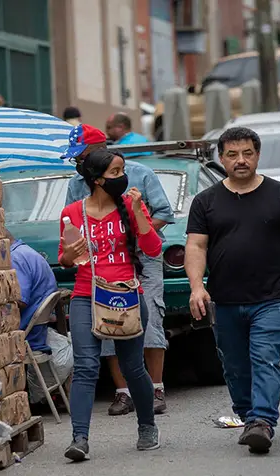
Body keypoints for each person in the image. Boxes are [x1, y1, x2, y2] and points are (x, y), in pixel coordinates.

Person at [185, 126, 280, 454]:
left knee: (265, 358)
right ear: (221, 158)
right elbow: (196, 247)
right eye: (232, 154)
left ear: (257, 155)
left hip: (272, 298)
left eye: (247, 153)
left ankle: (263, 423)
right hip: (225, 300)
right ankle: (248, 414)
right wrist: (197, 288)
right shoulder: (205, 201)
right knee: (235, 365)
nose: (240, 160)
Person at [57, 149, 163, 461]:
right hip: (85, 294)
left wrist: (139, 212)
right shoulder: (73, 212)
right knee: (86, 365)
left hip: (126, 294)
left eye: (122, 171)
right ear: (97, 179)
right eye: (116, 173)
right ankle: (80, 438)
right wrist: (69, 254)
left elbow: (153, 248)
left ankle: (147, 426)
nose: (123, 177)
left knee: (132, 367)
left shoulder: (131, 207)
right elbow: (66, 261)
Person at [62, 124, 174, 414]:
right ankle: (123, 392)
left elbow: (163, 213)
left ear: (99, 150)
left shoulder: (140, 174)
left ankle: (156, 389)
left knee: (146, 320)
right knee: (106, 322)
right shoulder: (76, 184)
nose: (78, 162)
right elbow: (71, 228)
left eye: (82, 155)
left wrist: (134, 232)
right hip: (101, 265)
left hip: (141, 261)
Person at [9, 231, 59, 352]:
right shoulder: (25, 251)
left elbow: (20, 300)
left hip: (28, 334)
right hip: (37, 331)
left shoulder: (15, 257)